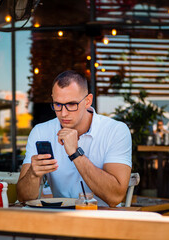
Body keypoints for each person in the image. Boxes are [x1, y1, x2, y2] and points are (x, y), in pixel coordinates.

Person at [17, 70, 132, 207]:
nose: (63, 113)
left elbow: (115, 197)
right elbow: (23, 198)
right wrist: (33, 174)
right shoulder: (41, 132)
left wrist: (75, 153)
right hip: (61, 218)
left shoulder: (115, 130)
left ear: (88, 101)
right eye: (58, 104)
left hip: (103, 219)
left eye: (72, 104)